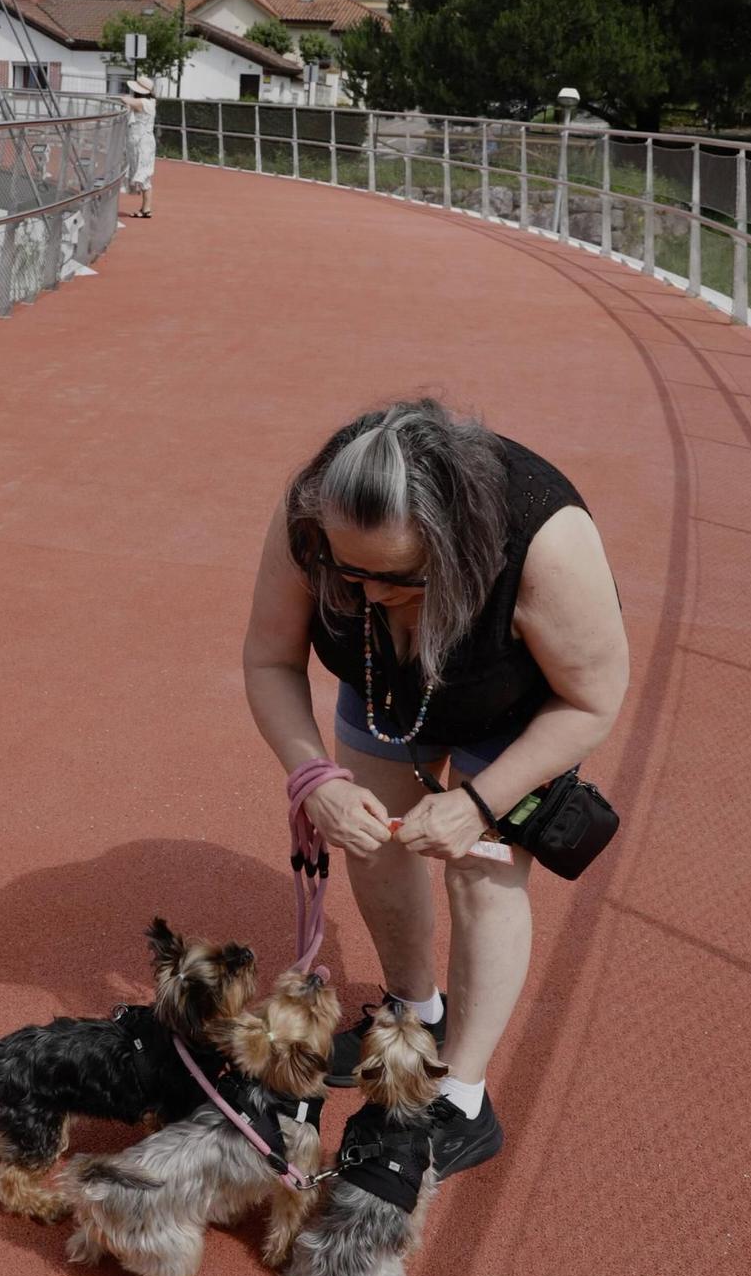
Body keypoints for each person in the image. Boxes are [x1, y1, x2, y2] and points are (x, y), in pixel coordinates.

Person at [242, 399, 629, 1179]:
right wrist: (313, 775)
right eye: (347, 574)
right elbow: (269, 660)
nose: (367, 595)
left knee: (482, 876)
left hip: (514, 701)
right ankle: (413, 1014)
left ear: (456, 544)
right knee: (371, 838)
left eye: (395, 578)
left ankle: (462, 1095)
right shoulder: (310, 519)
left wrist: (481, 804)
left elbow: (593, 698)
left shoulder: (545, 543)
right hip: (384, 684)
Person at [121, 75, 156, 219]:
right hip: (139, 141)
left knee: (144, 174)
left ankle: (147, 208)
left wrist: (127, 99)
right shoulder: (148, 101)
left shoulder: (143, 102)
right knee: (140, 172)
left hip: (142, 142)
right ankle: (145, 208)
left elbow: (126, 100)